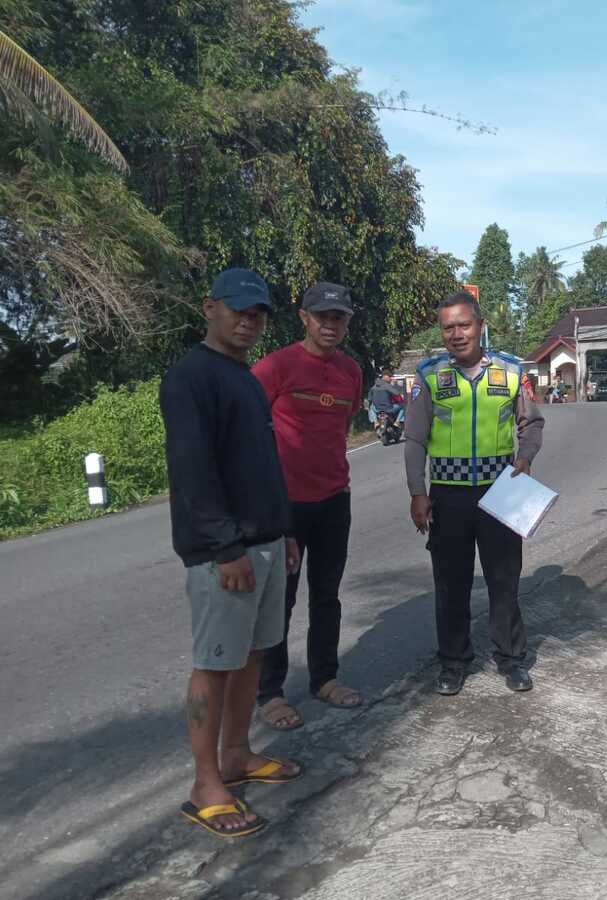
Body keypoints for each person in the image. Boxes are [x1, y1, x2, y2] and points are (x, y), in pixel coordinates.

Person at [159, 268, 302, 838]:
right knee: (214, 664)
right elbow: (194, 474)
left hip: (265, 543)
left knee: (252, 656)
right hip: (225, 553)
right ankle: (205, 784)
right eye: (239, 310)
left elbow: (261, 467)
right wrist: (227, 548)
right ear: (209, 308)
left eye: (259, 313)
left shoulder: (243, 378)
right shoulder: (190, 378)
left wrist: (284, 531)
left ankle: (238, 756)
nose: (250, 320)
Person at [405, 290, 546, 695]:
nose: (456, 333)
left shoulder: (511, 370)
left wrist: (527, 457)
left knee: (505, 579)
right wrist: (418, 491)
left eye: (463, 324)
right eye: (447, 327)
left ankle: (511, 658)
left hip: (500, 488)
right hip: (447, 495)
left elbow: (531, 423)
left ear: (480, 327)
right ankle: (453, 661)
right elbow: (414, 439)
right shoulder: (429, 375)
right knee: (451, 582)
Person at [251, 282, 364, 730]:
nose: (330, 325)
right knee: (280, 600)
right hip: (285, 507)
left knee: (327, 595)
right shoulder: (274, 367)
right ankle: (270, 692)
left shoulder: (350, 372)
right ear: (304, 317)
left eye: (338, 318)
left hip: (335, 500)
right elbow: (248, 428)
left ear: (346, 322)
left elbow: (342, 423)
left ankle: (325, 678)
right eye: (322, 317)